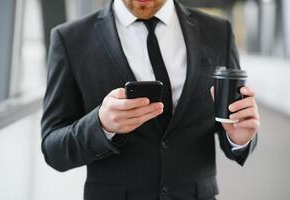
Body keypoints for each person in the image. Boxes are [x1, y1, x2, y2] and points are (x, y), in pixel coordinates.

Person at [41, 0, 260, 199]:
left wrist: (238, 138)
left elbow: (231, 123)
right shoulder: (70, 39)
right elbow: (53, 149)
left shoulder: (218, 31)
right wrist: (101, 125)